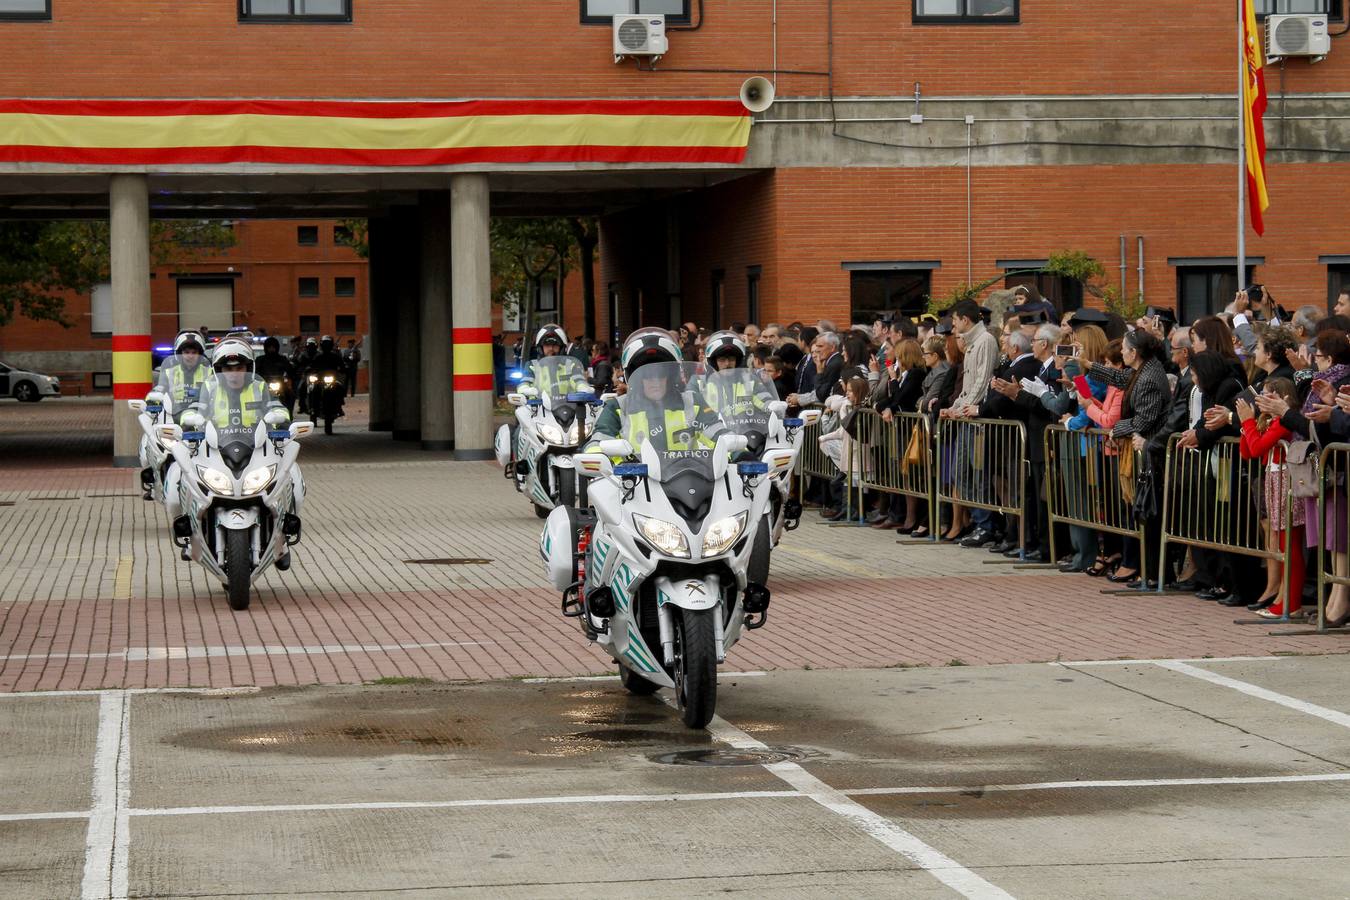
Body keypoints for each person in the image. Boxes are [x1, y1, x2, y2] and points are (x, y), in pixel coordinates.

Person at [1086, 329, 1171, 589]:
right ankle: (1144, 569)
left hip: (1143, 450)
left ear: (1134, 352)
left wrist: (1105, 421)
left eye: (1124, 349)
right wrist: (1084, 367)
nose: (1121, 354)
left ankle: (1147, 570)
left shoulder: (1148, 377)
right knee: (1131, 512)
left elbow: (1129, 419)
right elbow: (1115, 378)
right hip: (1127, 449)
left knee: (1142, 512)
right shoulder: (1139, 371)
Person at [587, 328, 719, 456]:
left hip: (689, 476)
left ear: (671, 375)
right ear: (635, 378)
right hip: (634, 478)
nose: (654, 380)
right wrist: (597, 457)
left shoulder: (692, 402)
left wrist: (736, 451)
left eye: (661, 373)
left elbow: (719, 435)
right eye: (646, 375)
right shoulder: (618, 408)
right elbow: (597, 442)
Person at [1237, 377, 1304, 618]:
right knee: (1280, 542)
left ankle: (1291, 602)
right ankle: (1284, 597)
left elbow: (1256, 448)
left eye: (1267, 395)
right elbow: (1247, 451)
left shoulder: (1285, 422)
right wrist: (1249, 424)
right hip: (1273, 480)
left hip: (1286, 481)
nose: (1261, 400)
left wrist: (1247, 421)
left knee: (1289, 543)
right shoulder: (1271, 420)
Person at [156, 331, 210, 417]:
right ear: (179, 354)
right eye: (186, 352)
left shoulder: (209, 372)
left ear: (200, 354)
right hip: (173, 418)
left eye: (194, 352)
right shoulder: (169, 373)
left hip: (201, 418)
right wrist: (152, 400)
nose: (190, 356)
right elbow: (159, 390)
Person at [254, 336, 298, 415]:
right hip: (263, 385)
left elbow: (290, 370)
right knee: (255, 396)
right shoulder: (260, 360)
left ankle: (289, 414)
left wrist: (292, 375)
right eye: (269, 347)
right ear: (266, 348)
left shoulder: (282, 359)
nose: (271, 349)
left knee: (290, 395)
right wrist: (257, 378)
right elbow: (255, 372)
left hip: (280, 384)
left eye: (273, 347)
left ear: (277, 348)